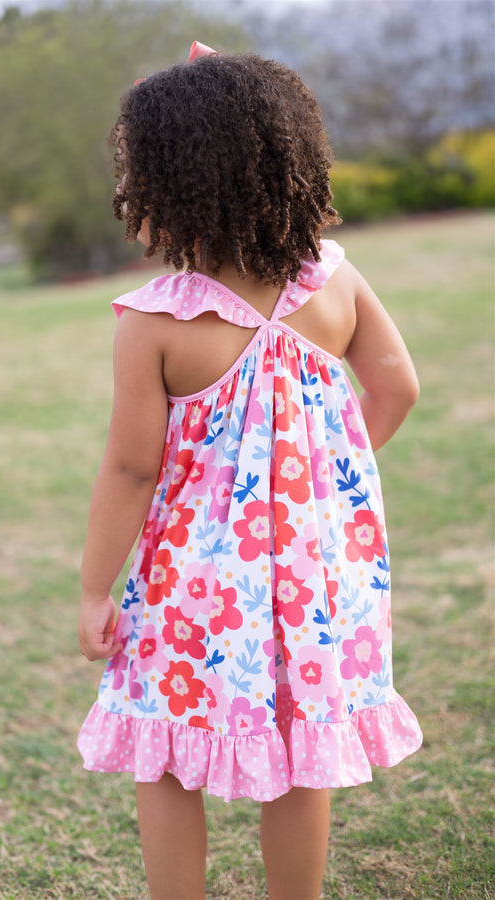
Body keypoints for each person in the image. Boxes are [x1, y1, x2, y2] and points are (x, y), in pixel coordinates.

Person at [76, 42, 423, 900]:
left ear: (170, 188)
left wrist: (93, 589)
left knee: (164, 750)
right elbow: (396, 386)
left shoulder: (156, 321)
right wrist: (316, 485)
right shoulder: (334, 283)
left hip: (192, 583)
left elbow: (129, 470)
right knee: (305, 753)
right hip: (313, 574)